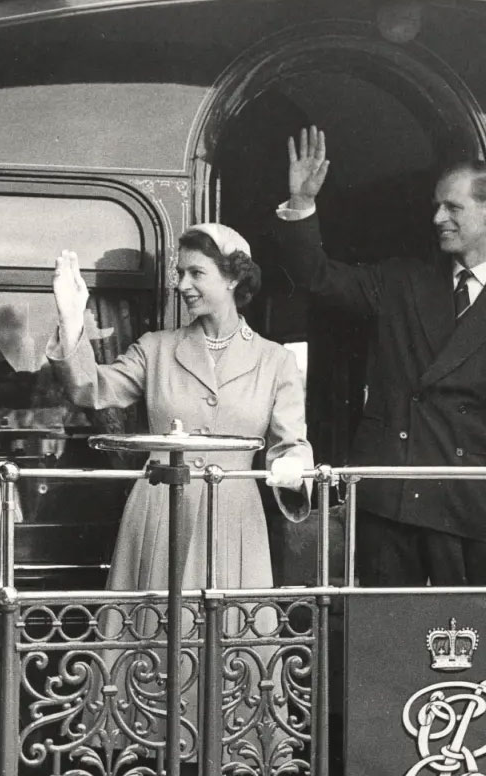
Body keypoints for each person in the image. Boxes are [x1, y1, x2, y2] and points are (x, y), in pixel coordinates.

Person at [271, 126, 486, 587]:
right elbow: (317, 278)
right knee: (383, 642)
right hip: (390, 500)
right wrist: (301, 204)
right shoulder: (402, 281)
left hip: (469, 505)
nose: (438, 218)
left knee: (469, 644)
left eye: (452, 207)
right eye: (437, 206)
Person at [47, 225, 312, 592]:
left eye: (196, 273)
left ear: (233, 277)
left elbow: (291, 443)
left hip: (234, 518)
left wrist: (293, 465)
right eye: (180, 273)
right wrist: (71, 319)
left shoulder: (275, 360)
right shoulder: (155, 349)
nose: (183, 285)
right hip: (159, 511)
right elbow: (90, 388)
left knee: (229, 636)